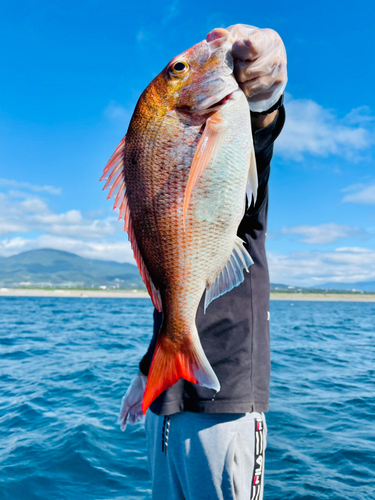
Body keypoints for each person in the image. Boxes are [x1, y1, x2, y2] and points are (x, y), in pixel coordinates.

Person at [119, 24, 287, 500]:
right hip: (165, 402)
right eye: (179, 69)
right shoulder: (174, 242)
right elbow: (171, 304)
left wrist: (266, 94)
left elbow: (262, 131)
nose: (190, 60)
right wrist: (144, 373)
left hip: (226, 399)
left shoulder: (233, 146)